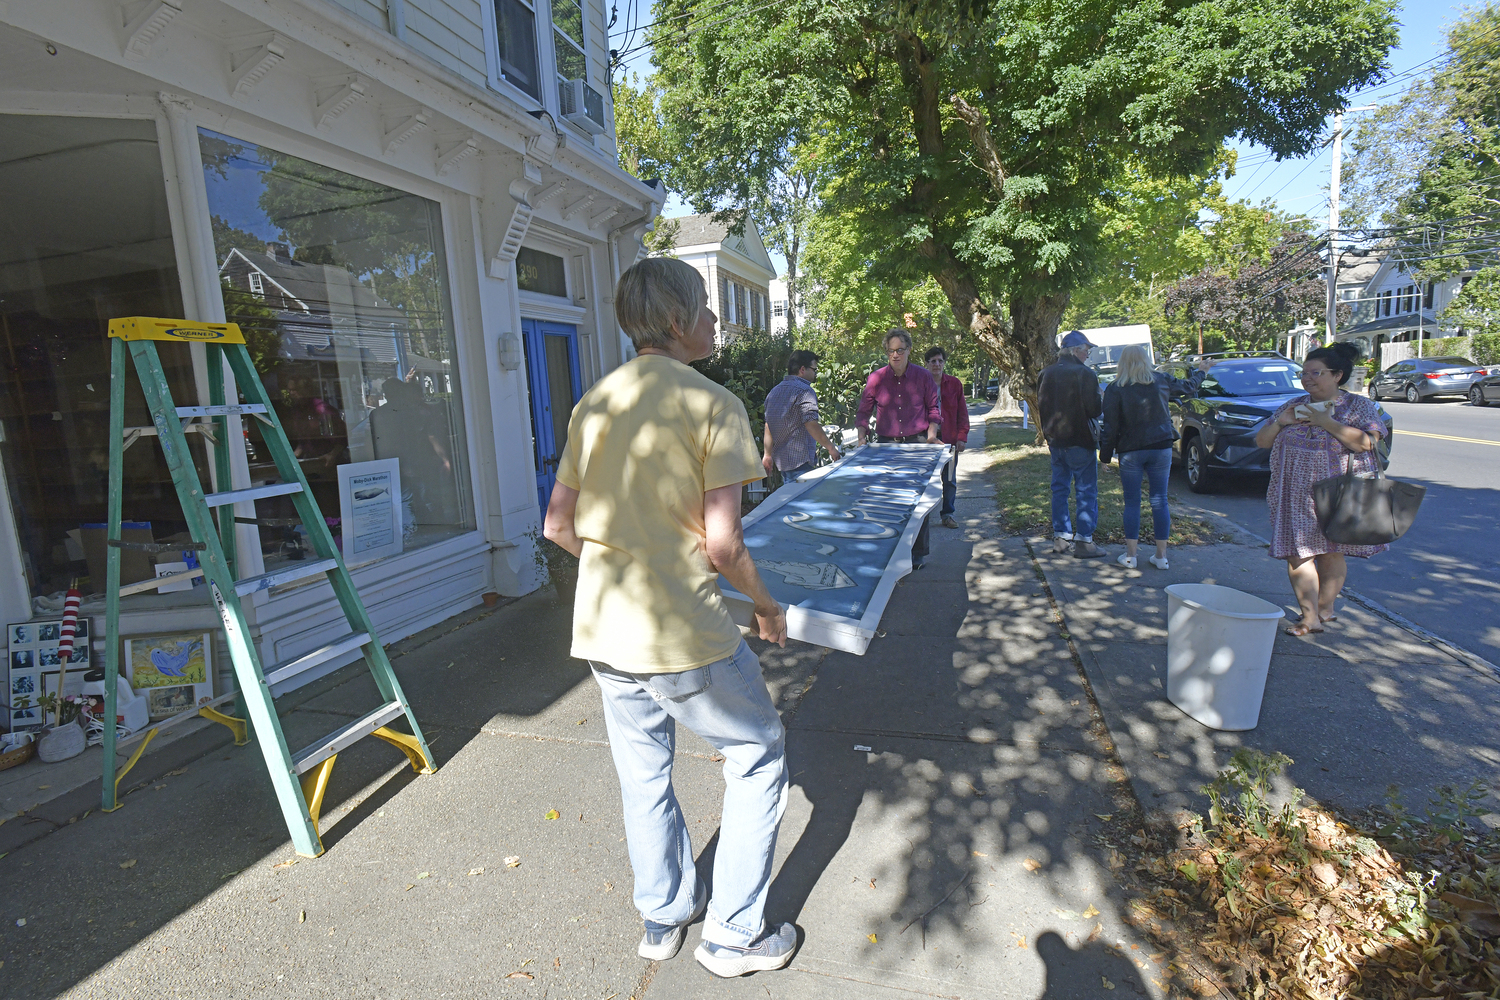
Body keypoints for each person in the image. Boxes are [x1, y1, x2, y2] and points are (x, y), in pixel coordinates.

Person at [543, 257, 797, 977]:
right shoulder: (714, 403)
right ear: (681, 322)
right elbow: (723, 545)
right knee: (757, 755)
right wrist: (768, 607)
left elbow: (557, 525)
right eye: (709, 310)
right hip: (684, 634)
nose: (716, 321)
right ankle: (734, 936)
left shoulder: (594, 403)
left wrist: (622, 561)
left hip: (604, 630)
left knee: (644, 774)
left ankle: (663, 915)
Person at [1253, 342, 1387, 637]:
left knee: (1330, 553)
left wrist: (1326, 422)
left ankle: (1325, 609)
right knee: (1297, 554)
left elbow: (1367, 442)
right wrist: (1281, 421)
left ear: (1337, 375)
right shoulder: (1293, 405)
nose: (1308, 378)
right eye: (1304, 373)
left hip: (1339, 493)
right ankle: (1310, 616)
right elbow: (1262, 441)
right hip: (1293, 494)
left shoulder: (1357, 406)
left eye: (1316, 373)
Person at [1098, 347, 1212, 570]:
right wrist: (1202, 371)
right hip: (1161, 445)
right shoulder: (1160, 380)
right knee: (1159, 500)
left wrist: (1104, 456)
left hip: (1130, 449)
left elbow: (1110, 426)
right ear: (1146, 360)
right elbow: (1189, 387)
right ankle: (1161, 556)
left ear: (1123, 363)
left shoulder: (1115, 388)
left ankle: (1131, 556)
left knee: (1132, 501)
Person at [856, 330, 941, 568]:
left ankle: (917, 554)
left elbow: (933, 409)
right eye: (891, 351)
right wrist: (862, 438)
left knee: (918, 501)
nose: (895, 355)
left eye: (900, 350)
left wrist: (932, 436)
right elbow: (864, 412)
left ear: (908, 350)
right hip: (886, 445)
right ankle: (887, 551)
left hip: (916, 443)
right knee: (886, 501)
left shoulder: (924, 377)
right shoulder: (876, 378)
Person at [1037, 330, 1104, 558]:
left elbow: (1041, 408)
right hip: (1080, 440)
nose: (1088, 355)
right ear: (1076, 350)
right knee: (1085, 491)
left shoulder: (1045, 373)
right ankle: (1084, 542)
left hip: (1055, 440)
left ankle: (1061, 538)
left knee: (1060, 489)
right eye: (1087, 350)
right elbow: (1095, 409)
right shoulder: (1085, 374)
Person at [762, 349, 842, 482]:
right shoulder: (805, 391)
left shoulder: (773, 392)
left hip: (783, 464)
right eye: (814, 369)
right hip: (801, 462)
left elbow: (768, 425)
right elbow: (811, 423)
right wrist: (831, 448)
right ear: (803, 369)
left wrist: (767, 454)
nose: (815, 373)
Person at [923, 346, 970, 529]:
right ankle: (923, 517)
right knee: (925, 480)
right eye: (933, 361)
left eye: (940, 361)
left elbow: (962, 413)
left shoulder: (954, 384)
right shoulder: (920, 384)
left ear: (944, 363)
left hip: (949, 440)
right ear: (926, 364)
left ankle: (948, 514)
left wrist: (962, 436)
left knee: (949, 480)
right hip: (925, 440)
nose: (937, 364)